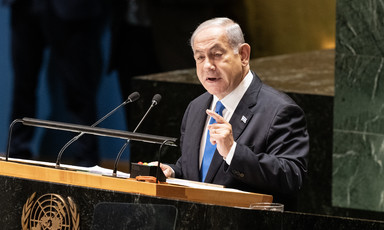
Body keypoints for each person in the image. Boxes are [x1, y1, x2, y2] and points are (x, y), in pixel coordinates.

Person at [159, 17, 309, 209]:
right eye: (200, 57)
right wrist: (172, 171)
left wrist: (233, 151)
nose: (207, 66)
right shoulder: (196, 107)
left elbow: (291, 176)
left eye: (217, 54)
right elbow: (201, 171)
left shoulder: (280, 110)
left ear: (243, 55)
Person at [4, 0, 106, 166]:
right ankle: (16, 155)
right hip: (24, 6)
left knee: (79, 87)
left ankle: (87, 159)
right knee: (22, 86)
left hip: (71, 8)